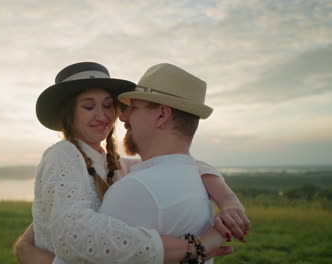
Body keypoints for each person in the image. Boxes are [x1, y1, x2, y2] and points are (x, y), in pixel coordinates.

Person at [15, 62, 250, 264]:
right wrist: (193, 248)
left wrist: (228, 199)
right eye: (88, 106)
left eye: (108, 105)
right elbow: (74, 234)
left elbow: (174, 163)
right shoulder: (63, 153)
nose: (103, 115)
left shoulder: (110, 162)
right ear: (69, 114)